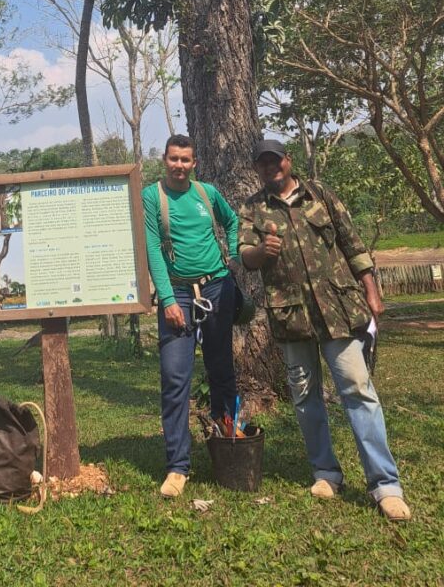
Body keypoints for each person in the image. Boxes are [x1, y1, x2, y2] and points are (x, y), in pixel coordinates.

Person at [239, 139, 410, 520]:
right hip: (291, 316)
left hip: (338, 310)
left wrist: (373, 292)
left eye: (275, 160)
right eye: (263, 164)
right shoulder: (252, 208)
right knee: (304, 398)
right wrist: (261, 251)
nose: (271, 168)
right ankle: (326, 472)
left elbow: (353, 243)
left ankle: (385, 485)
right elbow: (245, 257)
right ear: (259, 169)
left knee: (358, 391)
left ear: (288, 160)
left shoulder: (321, 194)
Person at [142, 134, 240, 497]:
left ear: (194, 162)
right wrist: (167, 299)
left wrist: (232, 255)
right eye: (173, 159)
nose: (179, 166)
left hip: (216, 287)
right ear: (164, 160)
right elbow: (152, 246)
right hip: (178, 294)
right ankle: (178, 466)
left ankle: (227, 445)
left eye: (185, 160)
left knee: (221, 371)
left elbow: (231, 223)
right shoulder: (153, 197)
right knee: (174, 378)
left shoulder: (207, 193)